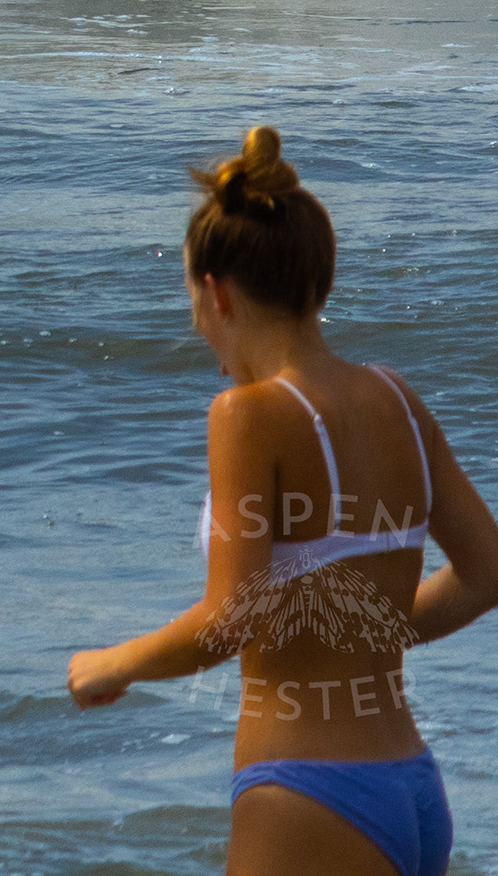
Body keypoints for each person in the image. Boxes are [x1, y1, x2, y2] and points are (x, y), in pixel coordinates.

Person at [68, 126, 494, 876]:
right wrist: (365, 634)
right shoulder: (397, 399)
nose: (198, 326)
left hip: (306, 793)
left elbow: (231, 619)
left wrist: (115, 664)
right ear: (315, 284)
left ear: (218, 291)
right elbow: (488, 572)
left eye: (193, 299)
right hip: (412, 790)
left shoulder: (246, 414)